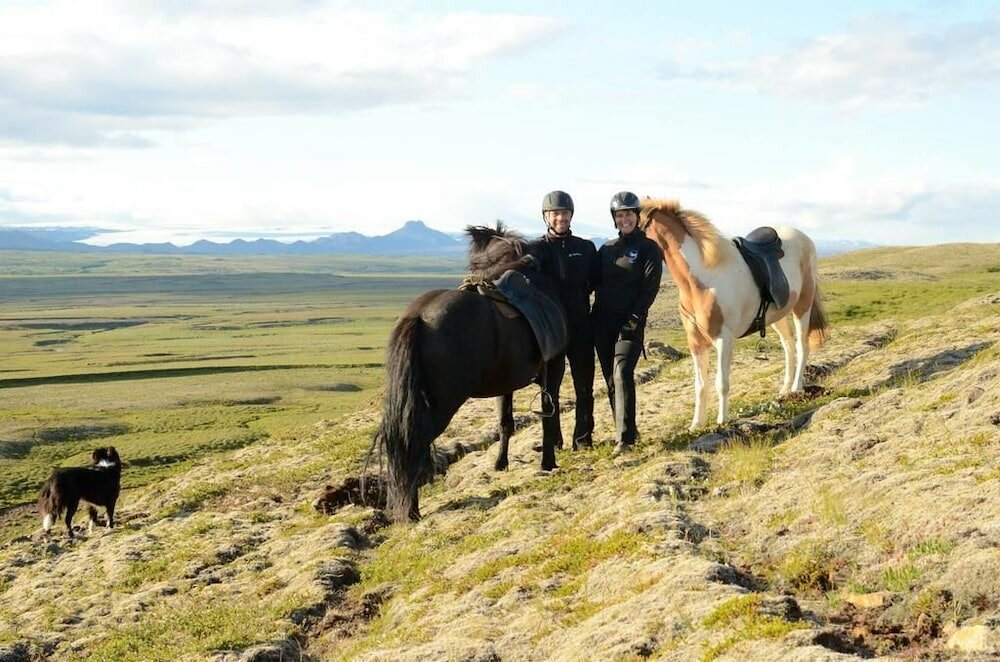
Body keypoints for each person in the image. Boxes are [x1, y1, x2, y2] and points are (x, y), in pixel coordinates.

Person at [592, 191, 662, 455]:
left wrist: (635, 317)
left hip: (630, 323)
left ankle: (625, 440)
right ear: (615, 219)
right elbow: (592, 282)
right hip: (602, 322)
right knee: (611, 378)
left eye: (629, 214)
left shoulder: (649, 248)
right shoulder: (607, 249)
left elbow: (650, 288)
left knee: (622, 373)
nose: (624, 220)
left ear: (637, 217)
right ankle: (624, 428)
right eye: (619, 215)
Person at [533, 190, 600, 450]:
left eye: (565, 213)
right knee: (550, 389)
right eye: (555, 213)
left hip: (581, 326)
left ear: (571, 215)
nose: (561, 217)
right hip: (551, 331)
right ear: (546, 217)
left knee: (584, 386)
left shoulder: (585, 248)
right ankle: (552, 440)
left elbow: (597, 281)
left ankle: (583, 438)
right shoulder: (537, 249)